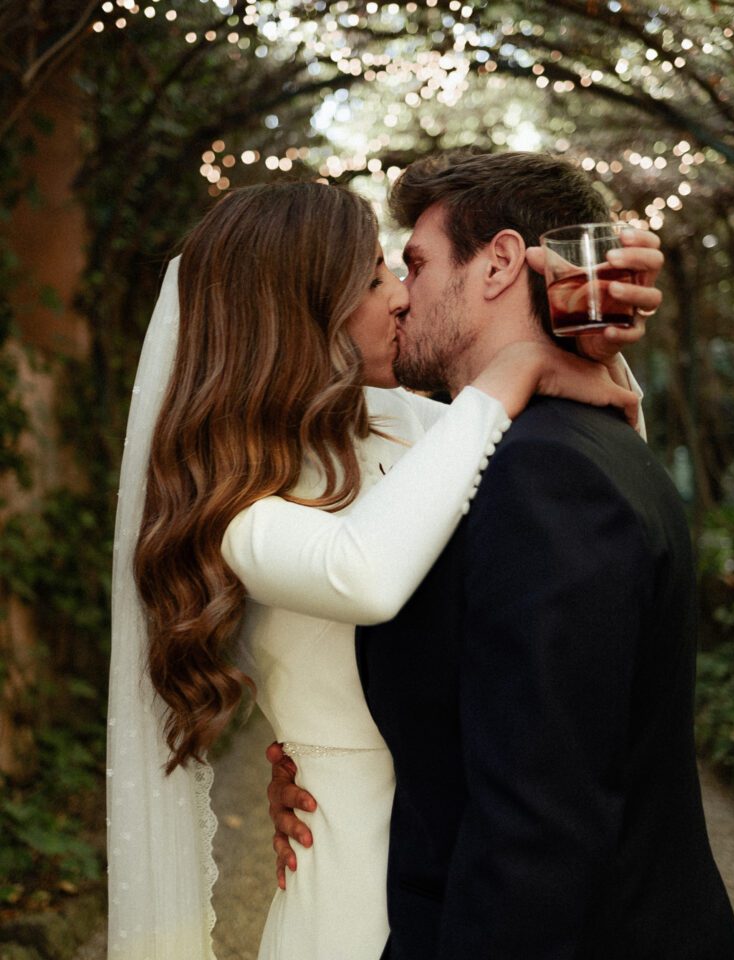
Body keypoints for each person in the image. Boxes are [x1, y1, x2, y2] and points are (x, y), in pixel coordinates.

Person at [107, 175, 656, 960]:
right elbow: (364, 571)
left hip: (469, 866)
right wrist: (515, 374)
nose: (401, 296)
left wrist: (595, 356)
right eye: (374, 277)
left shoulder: (417, 424)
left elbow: (590, 491)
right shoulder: (230, 507)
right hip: (351, 891)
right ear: (300, 313)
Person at [267, 153, 734, 959]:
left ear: (496, 264)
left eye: (415, 264)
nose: (400, 294)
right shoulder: (513, 449)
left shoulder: (545, 474)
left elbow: (537, 833)